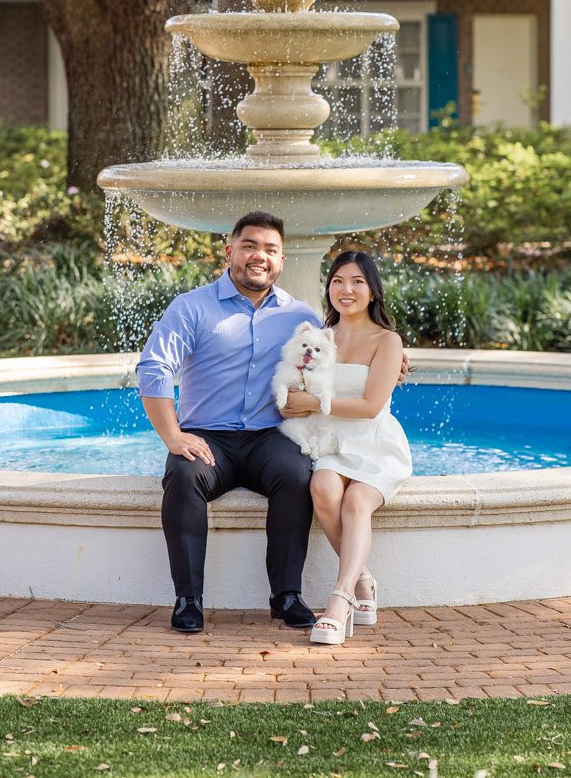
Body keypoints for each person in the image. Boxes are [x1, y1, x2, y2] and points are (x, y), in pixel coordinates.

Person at [137, 211, 322, 634]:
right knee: (184, 476)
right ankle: (188, 600)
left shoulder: (300, 315)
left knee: (298, 473)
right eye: (250, 246)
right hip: (206, 439)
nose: (260, 256)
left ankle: (287, 596)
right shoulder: (191, 307)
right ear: (229, 252)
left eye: (270, 249)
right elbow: (153, 367)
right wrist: (172, 434)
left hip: (268, 439)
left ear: (282, 260)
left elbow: (341, 349)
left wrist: (393, 358)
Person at [281, 249, 412, 645]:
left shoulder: (387, 341)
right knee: (322, 488)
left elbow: (372, 406)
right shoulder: (320, 338)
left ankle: (340, 601)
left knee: (356, 503)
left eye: (357, 281)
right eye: (338, 281)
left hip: (373, 443)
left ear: (372, 290)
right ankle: (364, 579)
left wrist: (314, 403)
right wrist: (294, 399)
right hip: (330, 440)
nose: (346, 289)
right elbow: (293, 388)